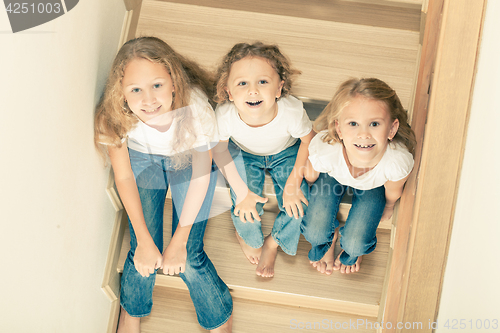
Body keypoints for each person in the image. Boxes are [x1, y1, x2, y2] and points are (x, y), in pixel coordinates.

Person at [94, 36, 232, 332]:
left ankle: (219, 315)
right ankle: (132, 310)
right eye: (135, 89)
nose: (148, 99)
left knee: (191, 257)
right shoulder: (114, 117)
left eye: (156, 85)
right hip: (144, 161)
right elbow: (124, 176)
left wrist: (180, 241)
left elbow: (201, 175)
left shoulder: (195, 110)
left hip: (188, 161)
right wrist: (144, 241)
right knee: (142, 249)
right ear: (121, 92)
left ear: (173, 81)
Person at [212, 42, 315, 278]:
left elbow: (309, 141)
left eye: (263, 82)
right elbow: (219, 150)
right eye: (242, 83)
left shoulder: (291, 111)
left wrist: (292, 184)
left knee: (299, 201)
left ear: (279, 89)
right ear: (229, 92)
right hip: (245, 154)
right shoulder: (225, 115)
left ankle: (274, 241)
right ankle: (246, 235)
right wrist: (241, 190)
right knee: (243, 202)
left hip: (286, 152)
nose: (253, 90)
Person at [302, 78, 416, 274]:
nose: (364, 134)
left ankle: (354, 252)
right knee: (315, 232)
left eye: (374, 124)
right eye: (353, 123)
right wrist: (309, 182)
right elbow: (310, 172)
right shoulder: (327, 149)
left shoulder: (396, 161)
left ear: (391, 129)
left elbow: (393, 190)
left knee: (356, 243)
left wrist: (388, 206)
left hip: (374, 186)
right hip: (333, 176)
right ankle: (329, 238)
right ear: (339, 129)